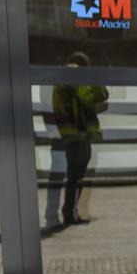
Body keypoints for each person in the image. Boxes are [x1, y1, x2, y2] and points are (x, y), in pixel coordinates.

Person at [51, 53, 108, 228]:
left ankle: (70, 211)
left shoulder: (60, 80)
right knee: (77, 176)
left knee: (73, 175)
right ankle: (70, 213)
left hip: (67, 132)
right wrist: (95, 82)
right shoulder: (74, 78)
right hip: (79, 133)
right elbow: (94, 96)